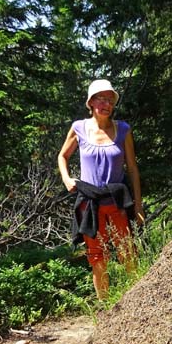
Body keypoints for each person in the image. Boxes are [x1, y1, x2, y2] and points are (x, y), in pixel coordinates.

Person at [58, 79, 145, 300]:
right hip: (89, 201)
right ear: (90, 102)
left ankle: (135, 306)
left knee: (128, 253)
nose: (105, 103)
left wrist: (138, 204)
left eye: (110, 99)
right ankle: (105, 308)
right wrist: (67, 179)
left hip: (116, 200)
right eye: (100, 98)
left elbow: (133, 169)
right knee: (98, 256)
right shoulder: (79, 128)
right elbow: (62, 156)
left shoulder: (123, 129)